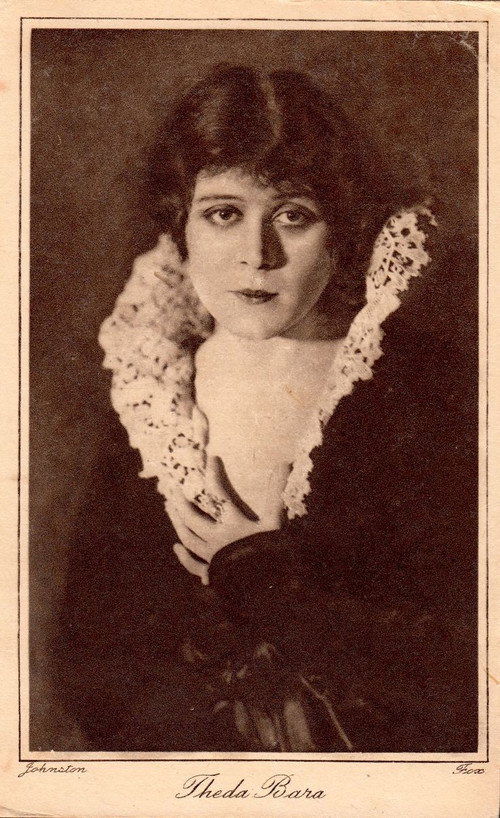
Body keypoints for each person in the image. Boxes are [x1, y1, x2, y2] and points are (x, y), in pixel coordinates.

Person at [57, 64, 477, 752]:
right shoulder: (155, 390)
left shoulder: (412, 387)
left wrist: (263, 582)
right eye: (224, 214)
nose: (257, 255)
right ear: (183, 226)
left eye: (293, 216)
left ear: (341, 233)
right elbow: (93, 656)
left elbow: (461, 670)